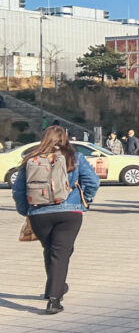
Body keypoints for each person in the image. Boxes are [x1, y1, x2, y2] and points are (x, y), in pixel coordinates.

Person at [13, 125, 100, 315]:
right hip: (69, 213)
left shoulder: (30, 159)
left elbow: (18, 190)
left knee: (51, 250)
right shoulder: (74, 157)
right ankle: (54, 300)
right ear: (65, 138)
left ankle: (54, 288)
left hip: (39, 213)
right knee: (60, 253)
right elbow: (93, 181)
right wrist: (87, 200)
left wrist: (25, 210)